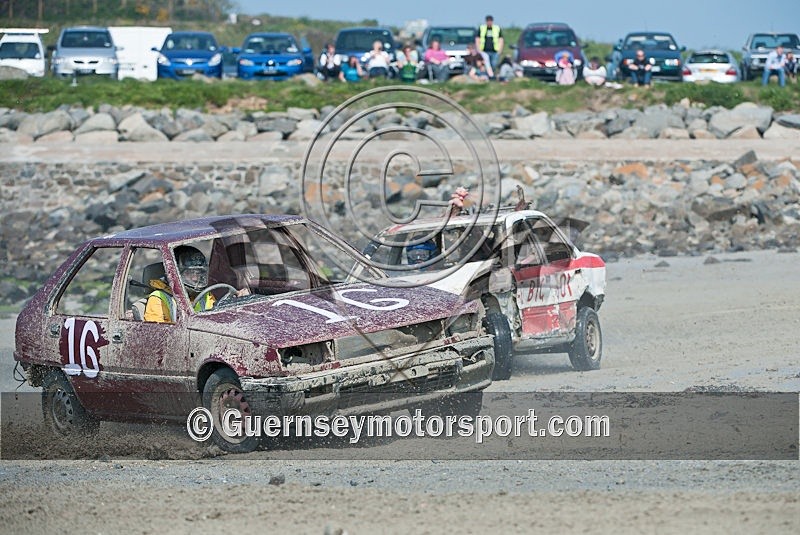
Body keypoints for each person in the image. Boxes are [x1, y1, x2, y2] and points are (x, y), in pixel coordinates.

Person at [144, 246, 248, 323]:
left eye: (198, 273)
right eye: (189, 273)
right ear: (176, 274)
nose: (195, 278)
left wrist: (235, 302)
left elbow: (217, 318)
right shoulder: (159, 298)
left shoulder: (205, 295)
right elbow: (160, 336)